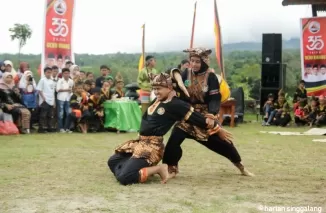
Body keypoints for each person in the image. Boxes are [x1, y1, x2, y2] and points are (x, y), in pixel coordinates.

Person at [108, 71, 232, 185]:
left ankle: (158, 169)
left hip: (151, 148)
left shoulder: (176, 104)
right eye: (154, 89)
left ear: (169, 88)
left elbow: (198, 119)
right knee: (113, 162)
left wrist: (218, 128)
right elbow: (172, 71)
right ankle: (140, 170)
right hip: (139, 142)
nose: (156, 92)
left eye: (159, 89)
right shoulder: (158, 100)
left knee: (124, 178)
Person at [162, 47, 254, 177]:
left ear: (204, 62)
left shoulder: (211, 77)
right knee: (174, 139)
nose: (194, 64)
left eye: (197, 62)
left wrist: (212, 115)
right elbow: (173, 79)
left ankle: (240, 166)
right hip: (188, 114)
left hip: (205, 116)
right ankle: (171, 168)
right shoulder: (185, 74)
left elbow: (215, 99)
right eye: (192, 61)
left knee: (223, 142)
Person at [37, 67, 56, 133]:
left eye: (50, 72)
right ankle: (42, 128)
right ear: (45, 73)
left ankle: (49, 127)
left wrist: (54, 102)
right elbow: (39, 90)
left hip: (51, 100)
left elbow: (53, 92)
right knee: (43, 115)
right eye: (47, 72)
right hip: (44, 100)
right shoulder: (42, 80)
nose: (49, 74)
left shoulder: (52, 81)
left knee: (50, 115)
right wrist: (43, 98)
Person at [56, 68, 74, 133]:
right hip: (61, 98)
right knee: (61, 114)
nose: (66, 75)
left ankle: (67, 128)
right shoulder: (60, 81)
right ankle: (61, 128)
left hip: (68, 98)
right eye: (65, 73)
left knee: (68, 113)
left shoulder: (71, 81)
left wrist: (70, 91)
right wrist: (66, 90)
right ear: (62, 74)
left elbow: (72, 89)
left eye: (68, 73)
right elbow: (57, 90)